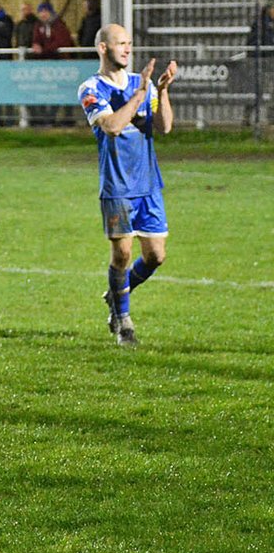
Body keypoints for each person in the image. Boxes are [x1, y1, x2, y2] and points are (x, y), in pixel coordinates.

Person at [77, 24, 177, 346]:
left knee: (156, 256)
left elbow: (164, 128)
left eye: (129, 43)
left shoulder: (142, 84)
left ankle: (117, 295)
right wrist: (140, 94)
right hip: (117, 185)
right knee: (121, 255)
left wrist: (160, 91)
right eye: (121, 43)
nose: (127, 49)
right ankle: (123, 322)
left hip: (148, 183)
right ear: (103, 48)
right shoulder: (91, 88)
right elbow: (113, 126)